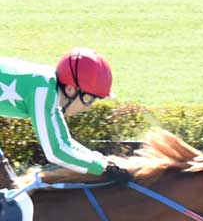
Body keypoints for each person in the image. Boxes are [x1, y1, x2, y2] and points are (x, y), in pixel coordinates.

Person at [0, 48, 132, 190]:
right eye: (88, 99)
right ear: (70, 89)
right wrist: (104, 169)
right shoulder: (43, 91)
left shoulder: (50, 88)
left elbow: (64, 142)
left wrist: (100, 161)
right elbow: (55, 152)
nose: (88, 108)